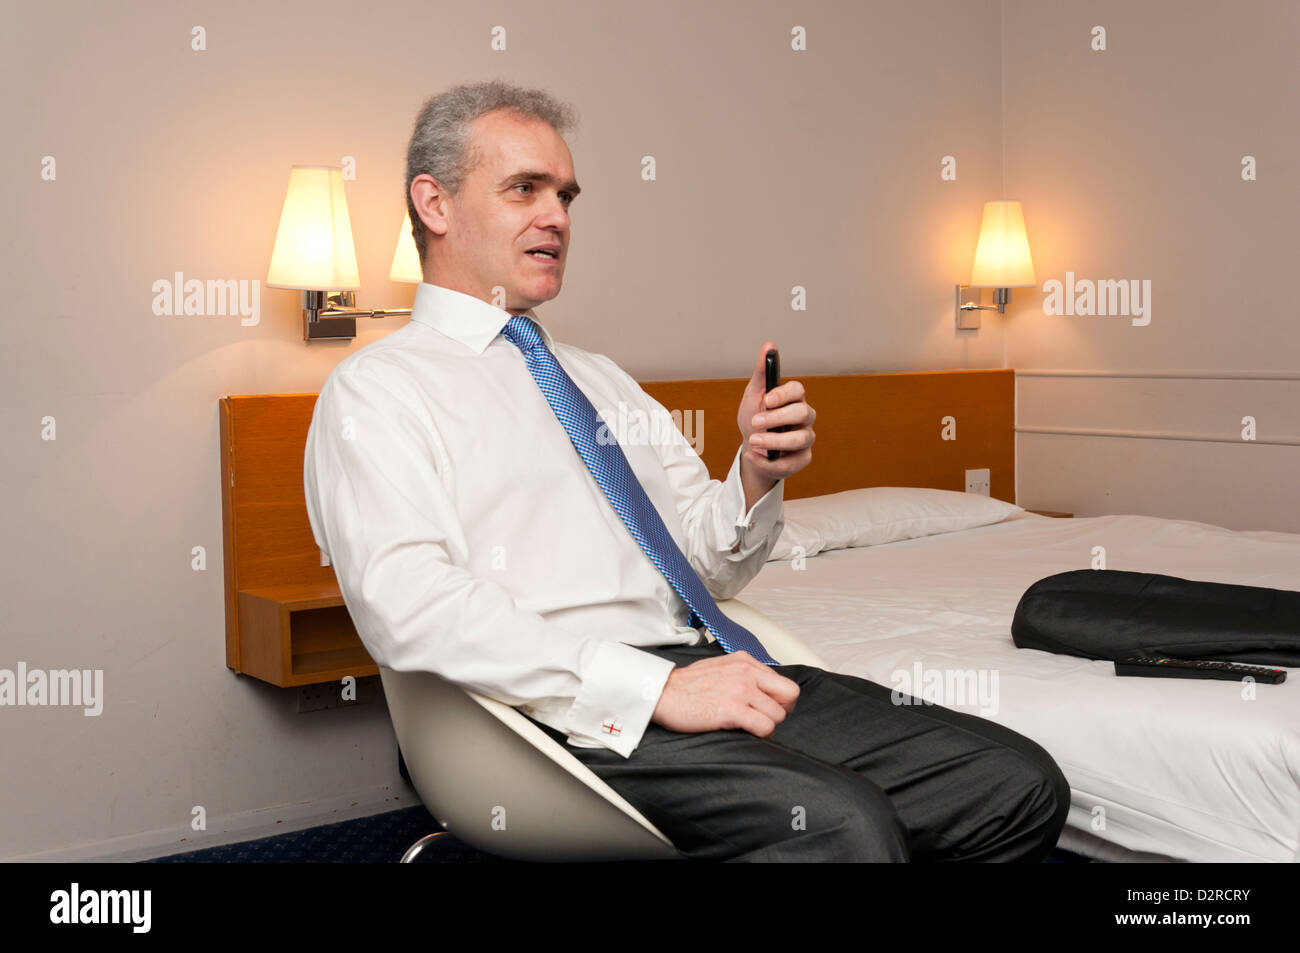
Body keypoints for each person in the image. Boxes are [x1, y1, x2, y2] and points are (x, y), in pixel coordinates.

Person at [303, 79, 1070, 862]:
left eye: (565, 193)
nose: (558, 216)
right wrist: (655, 689)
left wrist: (754, 473)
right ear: (434, 204)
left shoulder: (597, 379)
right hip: (553, 714)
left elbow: (706, 565)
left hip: (711, 668)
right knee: (845, 825)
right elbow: (412, 606)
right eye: (524, 189)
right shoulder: (378, 391)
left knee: (1018, 783)